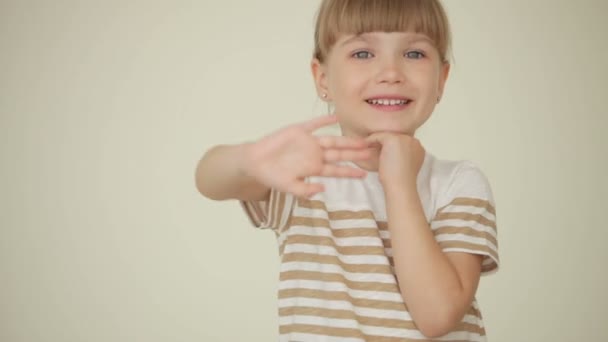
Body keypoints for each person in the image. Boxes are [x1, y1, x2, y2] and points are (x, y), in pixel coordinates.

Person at [195, 0, 499, 340]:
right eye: (363, 54)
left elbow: (437, 316)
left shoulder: (458, 184)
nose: (391, 73)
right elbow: (209, 180)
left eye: (414, 54)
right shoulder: (308, 174)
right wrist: (248, 160)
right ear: (323, 78)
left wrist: (399, 184)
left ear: (441, 80)